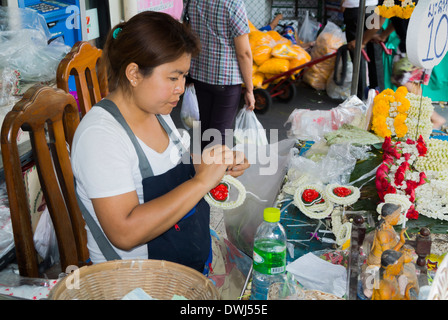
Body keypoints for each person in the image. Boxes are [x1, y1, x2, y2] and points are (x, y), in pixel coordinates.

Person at [70, 11, 250, 274]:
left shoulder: (157, 113)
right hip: (136, 282)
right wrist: (201, 182)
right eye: (173, 77)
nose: (182, 87)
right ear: (134, 73)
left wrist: (215, 166)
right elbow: (125, 232)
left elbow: (174, 168)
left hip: (182, 266)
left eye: (184, 76)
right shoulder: (100, 136)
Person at [186, 0, 255, 151]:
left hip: (200, 74)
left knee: (206, 130)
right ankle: (214, 173)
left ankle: (203, 169)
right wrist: (250, 89)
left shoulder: (194, 1)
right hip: (226, 78)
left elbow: (189, 32)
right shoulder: (233, 4)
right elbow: (244, 53)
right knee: (219, 135)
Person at [371, 14, 447, 128]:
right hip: (425, 43)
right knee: (412, 82)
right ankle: (425, 117)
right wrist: (383, 35)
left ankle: (434, 117)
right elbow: (397, 19)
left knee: (401, 79)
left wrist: (362, 40)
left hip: (413, 46)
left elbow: (378, 22)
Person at [342, 0, 386, 98]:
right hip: (372, 8)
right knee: (375, 53)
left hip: (353, 8)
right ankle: (379, 96)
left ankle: (360, 98)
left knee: (357, 54)